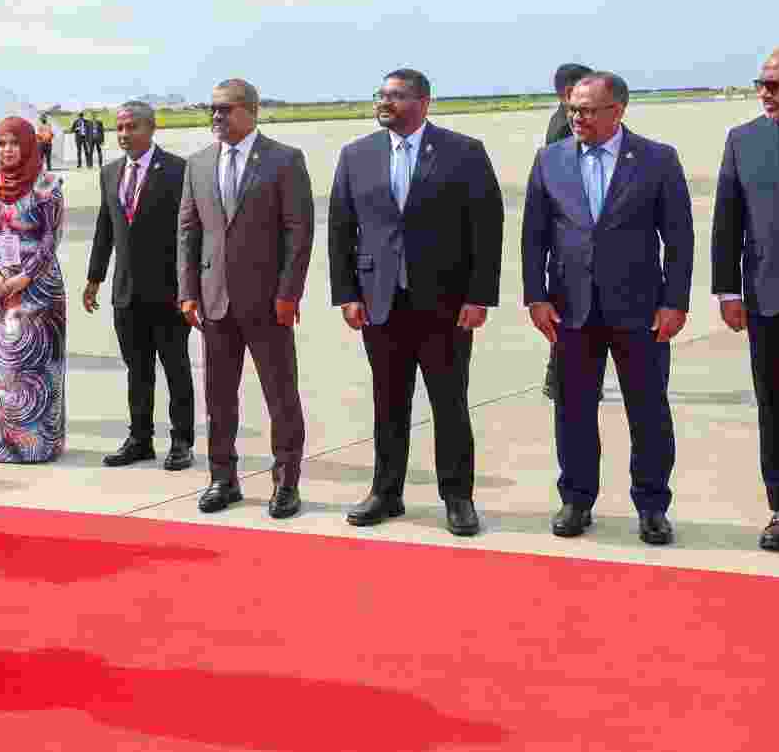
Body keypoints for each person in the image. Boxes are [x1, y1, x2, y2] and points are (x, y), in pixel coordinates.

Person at [329, 69, 504, 537]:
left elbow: (487, 229)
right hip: (380, 303)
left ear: (424, 102)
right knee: (388, 403)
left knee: (450, 403)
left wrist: (479, 296)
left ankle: (457, 497)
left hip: (445, 306)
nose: (384, 102)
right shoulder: (356, 155)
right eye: (381, 95)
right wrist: (346, 293)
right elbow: (340, 230)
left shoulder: (463, 152)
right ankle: (386, 492)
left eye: (397, 95)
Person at [521, 71, 694, 545]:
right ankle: (577, 499)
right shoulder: (550, 160)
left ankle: (653, 505)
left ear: (618, 110)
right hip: (570, 310)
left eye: (588, 110)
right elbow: (534, 236)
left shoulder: (657, 159)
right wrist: (535, 296)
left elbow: (679, 238)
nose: (577, 118)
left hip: (640, 310)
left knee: (649, 411)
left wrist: (675, 302)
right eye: (573, 109)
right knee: (572, 410)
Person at [178, 78, 314, 519]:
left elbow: (299, 233)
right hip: (214, 302)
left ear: (251, 111)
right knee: (218, 397)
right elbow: (188, 232)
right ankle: (223, 478)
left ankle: (286, 482)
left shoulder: (284, 160)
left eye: (225, 109)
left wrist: (289, 293)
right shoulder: (197, 165)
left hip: (268, 303)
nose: (216, 116)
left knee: (281, 395)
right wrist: (187, 292)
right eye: (212, 109)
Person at [711, 45, 779, 551]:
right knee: (778, 410)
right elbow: (727, 222)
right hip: (771, 300)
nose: (763, 93)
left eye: (774, 85)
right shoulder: (743, 141)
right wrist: (728, 290)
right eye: (760, 83)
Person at [85, 101, 194, 472]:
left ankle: (182, 441)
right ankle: (140, 438)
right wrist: (95, 278)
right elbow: (105, 227)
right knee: (138, 369)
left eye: (132, 127)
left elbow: (190, 232)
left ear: (151, 129)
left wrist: (190, 287)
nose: (124, 135)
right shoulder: (110, 171)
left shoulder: (178, 170)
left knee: (176, 367)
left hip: (168, 292)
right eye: (120, 128)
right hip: (126, 293)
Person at [0, 116, 67, 463]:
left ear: (27, 146)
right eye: (1, 143)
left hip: (37, 291)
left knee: (34, 369)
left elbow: (51, 237)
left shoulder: (47, 185)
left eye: (14, 143)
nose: (7, 150)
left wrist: (24, 278)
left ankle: (36, 444)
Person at [541, 62, 596, 402]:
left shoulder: (561, 117)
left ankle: (558, 378)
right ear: (566, 93)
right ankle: (557, 379)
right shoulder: (566, 128)